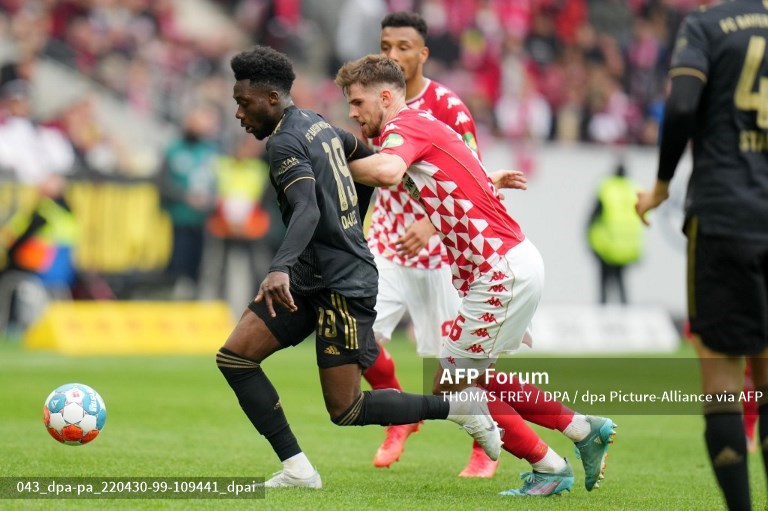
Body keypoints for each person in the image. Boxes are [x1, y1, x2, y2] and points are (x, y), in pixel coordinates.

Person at [218, 45, 502, 490]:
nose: (238, 113)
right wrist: (352, 220)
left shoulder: (285, 142)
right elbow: (358, 152)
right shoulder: (317, 124)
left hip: (341, 286)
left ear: (270, 98)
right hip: (311, 279)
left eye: (243, 102)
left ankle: (458, 410)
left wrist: (279, 268)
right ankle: (298, 469)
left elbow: (308, 209)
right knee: (235, 358)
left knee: (346, 410)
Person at [336, 53, 616, 496]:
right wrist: (489, 178)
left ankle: (549, 466)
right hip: (509, 264)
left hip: (498, 269)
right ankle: (584, 430)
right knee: (478, 375)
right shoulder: (426, 124)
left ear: (385, 96)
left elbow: (388, 172)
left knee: (450, 380)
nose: (352, 113)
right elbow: (456, 175)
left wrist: (330, 162)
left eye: (356, 102)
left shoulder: (403, 128)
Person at [635, 2, 768, 510]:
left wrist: (663, 184)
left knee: (721, 381)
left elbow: (684, 106)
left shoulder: (706, 27)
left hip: (726, 215)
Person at [360, 10, 494, 477]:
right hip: (386, 241)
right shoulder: (371, 101)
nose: (391, 55)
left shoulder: (449, 107)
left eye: (402, 47)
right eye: (385, 45)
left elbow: (475, 182)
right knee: (355, 336)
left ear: (423, 53)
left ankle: (484, 444)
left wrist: (434, 226)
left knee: (451, 366)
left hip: (440, 251)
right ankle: (402, 416)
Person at [158, 105, 220, 299]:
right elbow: (162, 182)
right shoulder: (174, 150)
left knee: (198, 268)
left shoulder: (211, 152)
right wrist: (186, 197)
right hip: (176, 218)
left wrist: (210, 201)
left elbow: (218, 183)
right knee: (175, 265)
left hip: (202, 221)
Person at [587, 161, 644, 304]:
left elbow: (592, 217)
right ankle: (626, 317)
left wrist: (590, 240)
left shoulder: (607, 188)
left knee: (604, 286)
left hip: (607, 246)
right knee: (622, 284)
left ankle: (602, 317)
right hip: (626, 248)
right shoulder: (634, 189)